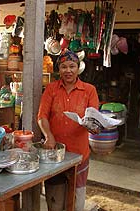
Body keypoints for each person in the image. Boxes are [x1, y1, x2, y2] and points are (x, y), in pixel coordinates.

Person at [37, 49, 99, 211]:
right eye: (64, 67)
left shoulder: (89, 90)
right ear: (59, 70)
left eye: (72, 66)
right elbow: (42, 116)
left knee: (77, 202)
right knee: (55, 201)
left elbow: (94, 119)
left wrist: (93, 126)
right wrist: (48, 136)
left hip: (79, 154)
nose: (68, 70)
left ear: (78, 68)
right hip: (54, 153)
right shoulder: (51, 89)